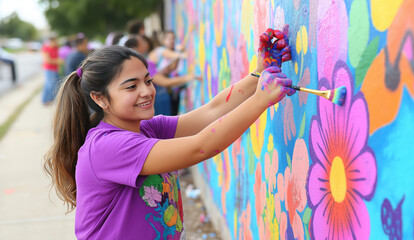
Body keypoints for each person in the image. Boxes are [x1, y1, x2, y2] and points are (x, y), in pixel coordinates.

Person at [44, 27, 294, 239]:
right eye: (131, 86)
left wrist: (259, 73)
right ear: (100, 99)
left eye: (148, 80)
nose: (146, 91)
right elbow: (201, 146)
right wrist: (261, 99)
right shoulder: (108, 147)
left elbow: (212, 110)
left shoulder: (147, 128)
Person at [124, 34, 201, 116]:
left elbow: (166, 72)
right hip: (159, 103)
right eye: (141, 42)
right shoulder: (143, 65)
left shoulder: (143, 63)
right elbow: (165, 82)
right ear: (134, 48)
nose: (145, 43)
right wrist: (189, 77)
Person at [41, 35, 62, 105]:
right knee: (50, 85)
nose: (55, 42)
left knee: (53, 84)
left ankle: (49, 100)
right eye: (54, 41)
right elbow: (47, 60)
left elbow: (57, 57)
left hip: (55, 69)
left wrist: (58, 65)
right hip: (49, 69)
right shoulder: (46, 48)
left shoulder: (56, 48)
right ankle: (47, 100)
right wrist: (58, 61)